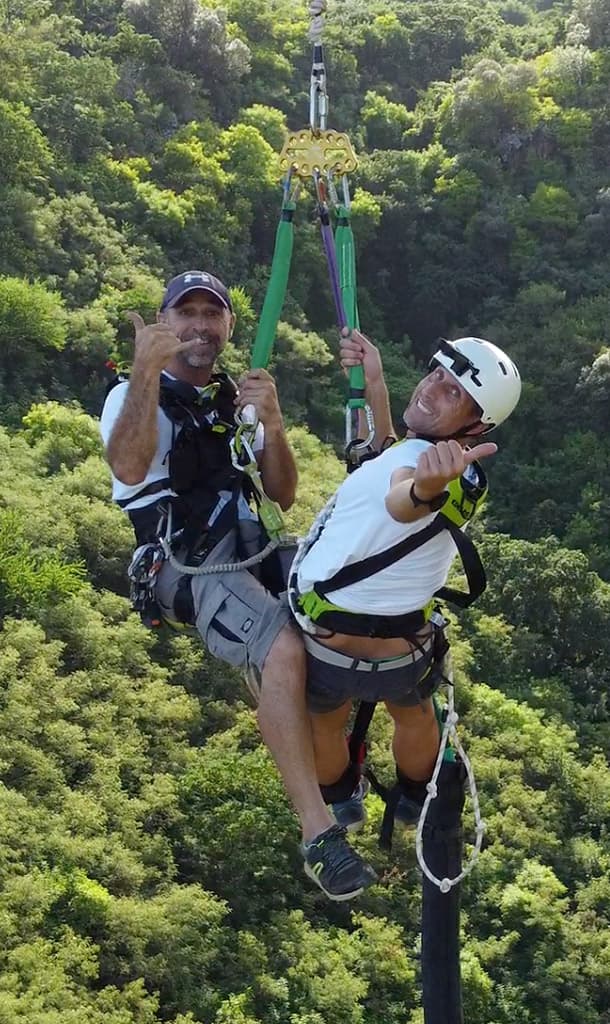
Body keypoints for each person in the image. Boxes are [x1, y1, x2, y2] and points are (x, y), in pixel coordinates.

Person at [100, 270, 377, 902]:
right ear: (165, 322)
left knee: (347, 607)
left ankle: (336, 773)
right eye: (186, 314)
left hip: (251, 541)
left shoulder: (234, 399)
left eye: (212, 315)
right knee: (283, 646)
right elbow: (128, 468)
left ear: (228, 325)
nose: (200, 326)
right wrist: (144, 371)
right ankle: (320, 835)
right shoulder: (132, 395)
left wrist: (271, 423)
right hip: (184, 560)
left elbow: (282, 492)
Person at [293, 330, 521, 846]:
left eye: (453, 391)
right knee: (415, 713)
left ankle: (341, 797)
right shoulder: (463, 475)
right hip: (402, 645)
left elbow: (403, 497)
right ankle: (417, 796)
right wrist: (375, 382)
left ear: (476, 425)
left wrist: (421, 490)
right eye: (436, 374)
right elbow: (397, 458)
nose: (432, 388)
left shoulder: (428, 473)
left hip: (330, 637)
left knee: (324, 720)